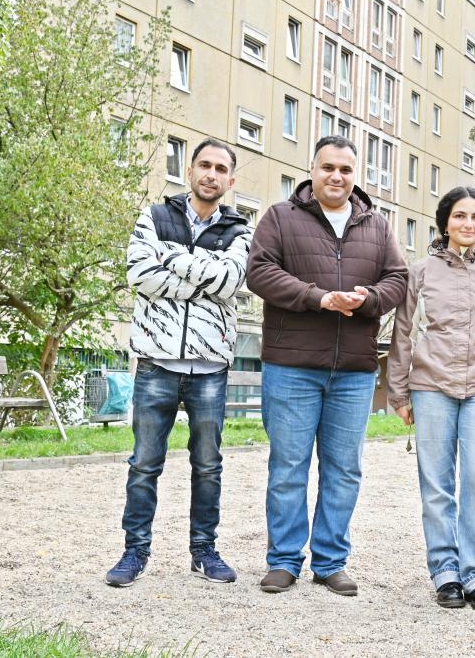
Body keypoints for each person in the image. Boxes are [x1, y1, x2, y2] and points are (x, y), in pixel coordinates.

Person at [245, 135, 408, 596]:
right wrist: (318, 298)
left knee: (344, 468)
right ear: (312, 171)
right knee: (289, 466)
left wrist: (369, 298)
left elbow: (398, 278)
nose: (337, 177)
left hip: (355, 369)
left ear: (356, 176)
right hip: (293, 365)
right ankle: (283, 561)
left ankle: (331, 560)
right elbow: (260, 271)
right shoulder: (280, 217)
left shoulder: (377, 224)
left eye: (346, 170)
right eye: (328, 168)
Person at [105, 138, 252, 587]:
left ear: (230, 180)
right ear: (190, 171)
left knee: (208, 464)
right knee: (144, 463)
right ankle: (134, 553)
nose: (211, 173)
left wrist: (173, 258)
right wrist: (203, 274)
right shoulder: (154, 216)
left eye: (220, 168)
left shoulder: (241, 229)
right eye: (204, 165)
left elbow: (232, 283)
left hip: (210, 366)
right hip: (156, 362)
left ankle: (204, 552)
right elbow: (139, 275)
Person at [388, 187, 475, 611]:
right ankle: (445, 572)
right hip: (431, 387)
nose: (468, 224)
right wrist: (399, 390)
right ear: (445, 221)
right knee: (436, 485)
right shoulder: (422, 271)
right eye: (460, 216)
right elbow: (403, 332)